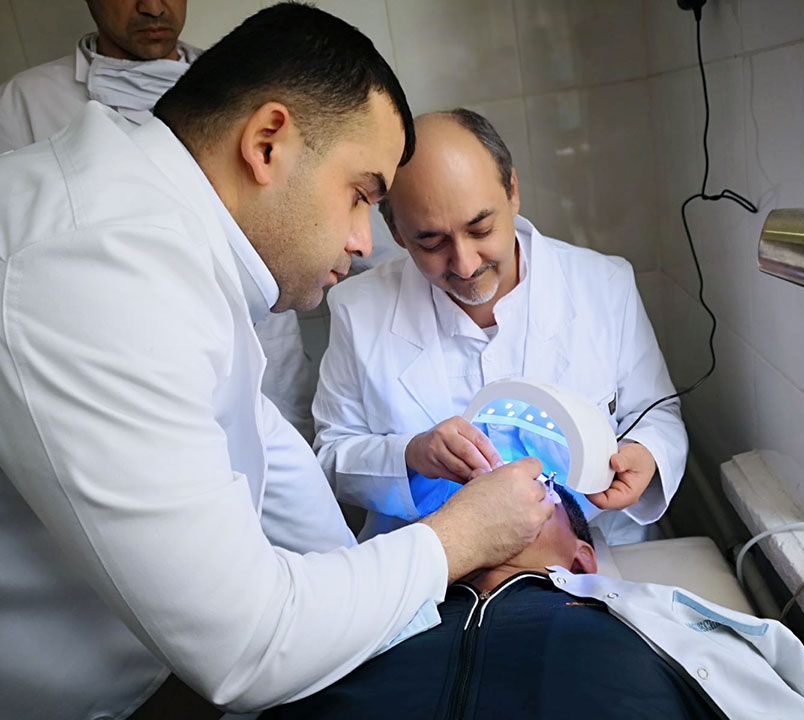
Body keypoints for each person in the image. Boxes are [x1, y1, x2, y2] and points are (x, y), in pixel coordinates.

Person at [0, 6, 556, 719]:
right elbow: (245, 648)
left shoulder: (171, 235)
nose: (362, 241)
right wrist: (459, 537)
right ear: (268, 144)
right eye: (360, 196)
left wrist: (392, 596)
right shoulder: (94, 264)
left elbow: (268, 451)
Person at [313, 109, 688, 543]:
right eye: (431, 242)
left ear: (512, 191)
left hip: (596, 546)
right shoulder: (358, 310)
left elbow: (657, 413)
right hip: (435, 559)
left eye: (480, 228)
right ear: (396, 232)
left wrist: (645, 454)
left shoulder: (604, 285)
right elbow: (332, 453)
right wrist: (411, 455)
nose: (464, 263)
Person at [0, 0, 316, 440]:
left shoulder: (247, 81)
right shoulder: (26, 102)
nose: (152, 7)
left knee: (282, 463)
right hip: (130, 363)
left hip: (265, 359)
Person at [262, 484, 804, 720]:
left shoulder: (653, 619)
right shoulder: (372, 608)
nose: (491, 503)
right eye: (469, 499)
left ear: (583, 558)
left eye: (534, 499)